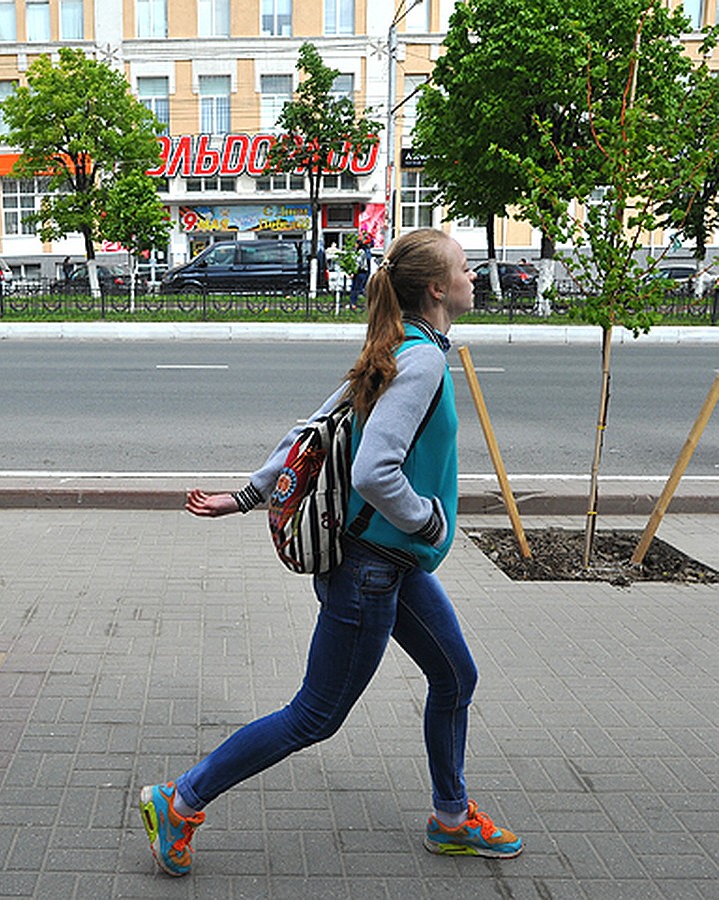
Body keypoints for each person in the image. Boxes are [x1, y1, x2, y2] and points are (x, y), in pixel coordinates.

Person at [138, 228, 522, 878]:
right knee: (314, 715)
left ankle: (451, 818)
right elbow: (374, 470)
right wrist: (428, 522)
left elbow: (309, 431)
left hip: (386, 567)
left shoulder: (403, 346)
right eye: (463, 267)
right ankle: (180, 801)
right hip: (373, 570)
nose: (473, 275)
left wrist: (245, 496)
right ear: (436, 288)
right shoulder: (422, 360)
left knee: (456, 677)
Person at [348, 234, 373, 308]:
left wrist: (353, 272)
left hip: (360, 272)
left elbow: (358, 263)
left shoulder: (361, 252)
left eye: (355, 244)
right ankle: (355, 303)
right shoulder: (363, 251)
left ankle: (354, 304)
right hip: (362, 272)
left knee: (356, 289)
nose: (354, 246)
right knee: (358, 289)